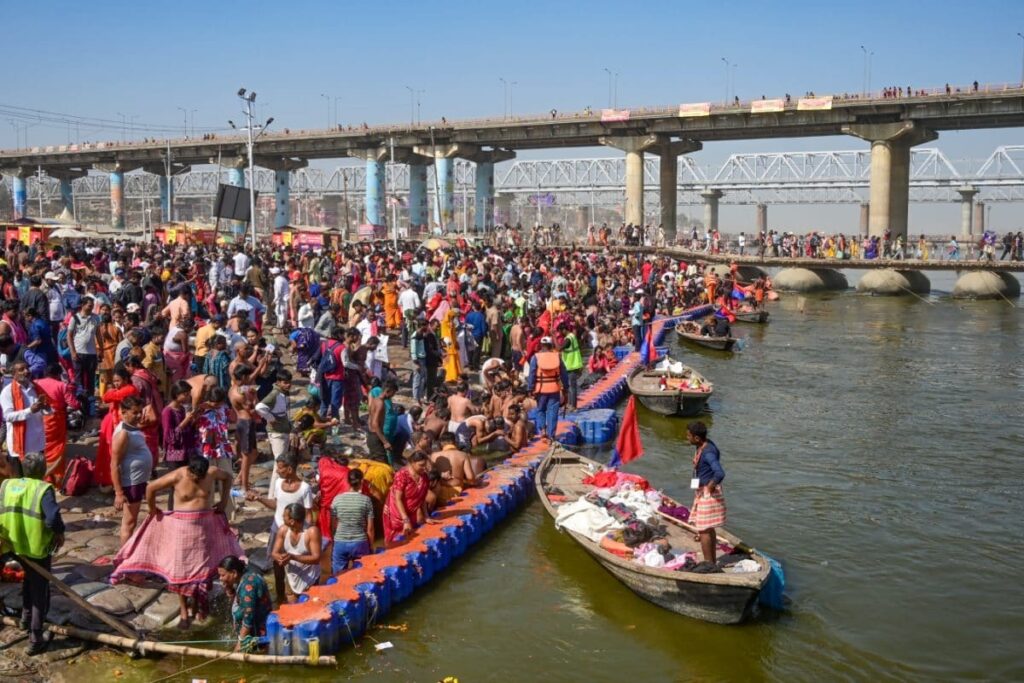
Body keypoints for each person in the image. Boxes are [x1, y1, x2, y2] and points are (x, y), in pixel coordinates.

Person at [112, 455, 238, 627]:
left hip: (204, 528)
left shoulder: (212, 473)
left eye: (201, 476)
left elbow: (228, 477)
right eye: (194, 476)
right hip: (181, 529)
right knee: (180, 571)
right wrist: (152, 509)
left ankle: (197, 605)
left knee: (202, 569)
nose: (197, 479)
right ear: (189, 470)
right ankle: (184, 611)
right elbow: (150, 488)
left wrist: (223, 501)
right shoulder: (178, 475)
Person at [0, 452, 65, 655]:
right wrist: (59, 533)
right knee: (39, 592)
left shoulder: (7, 485)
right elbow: (52, 518)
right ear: (43, 470)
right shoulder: (43, 489)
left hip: (11, 544)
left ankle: (25, 619)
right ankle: (36, 638)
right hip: (35, 547)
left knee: (29, 579)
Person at [247, 452, 313, 605]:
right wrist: (259, 498)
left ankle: (297, 598)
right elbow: (276, 505)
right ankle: (280, 598)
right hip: (277, 530)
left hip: (295, 533)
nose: (277, 471)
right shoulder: (278, 483)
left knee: (295, 565)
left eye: (280, 468)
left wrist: (306, 536)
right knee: (277, 565)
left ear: (290, 469)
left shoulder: (305, 488)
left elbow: (309, 515)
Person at [111, 395, 153, 546]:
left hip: (139, 480)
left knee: (133, 521)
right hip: (131, 482)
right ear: (124, 412)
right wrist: (118, 493)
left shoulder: (133, 428)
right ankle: (124, 556)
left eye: (140, 411)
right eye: (135, 412)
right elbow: (114, 464)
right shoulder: (123, 433)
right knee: (129, 523)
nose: (139, 415)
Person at [686, 421, 726, 564]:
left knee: (703, 530)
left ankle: (709, 564)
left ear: (697, 438)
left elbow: (719, 473)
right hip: (702, 491)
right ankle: (712, 562)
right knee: (708, 528)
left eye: (689, 435)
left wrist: (710, 487)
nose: (687, 438)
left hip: (707, 493)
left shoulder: (708, 452)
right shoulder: (703, 445)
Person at [0, 360, 49, 478]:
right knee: (19, 480)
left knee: (36, 479)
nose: (26, 371)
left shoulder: (36, 388)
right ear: (14, 374)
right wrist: (30, 410)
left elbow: (47, 411)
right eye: (21, 369)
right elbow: (7, 416)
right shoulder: (7, 392)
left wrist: (46, 408)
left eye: (27, 368)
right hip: (18, 446)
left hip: (37, 443)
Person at [35, 363, 81, 485]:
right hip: (56, 421)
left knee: (43, 447)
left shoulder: (36, 383)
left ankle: (43, 475)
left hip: (40, 419)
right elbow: (74, 404)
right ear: (58, 374)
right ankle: (56, 478)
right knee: (57, 449)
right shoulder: (62, 385)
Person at [95, 366, 138, 488]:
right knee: (108, 452)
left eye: (118, 381)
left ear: (125, 379)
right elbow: (107, 396)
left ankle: (117, 480)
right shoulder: (121, 389)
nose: (116, 384)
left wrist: (111, 391)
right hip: (112, 423)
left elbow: (106, 397)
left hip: (121, 425)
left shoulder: (130, 389)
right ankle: (109, 479)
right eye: (114, 381)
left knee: (118, 453)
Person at [218, 555, 272, 652]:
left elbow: (248, 616)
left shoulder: (248, 585)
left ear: (234, 573)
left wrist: (240, 642)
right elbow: (240, 601)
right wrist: (229, 589)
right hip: (253, 628)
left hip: (257, 632)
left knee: (255, 653)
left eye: (223, 575)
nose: (220, 578)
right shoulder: (245, 575)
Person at [270, 503, 322, 602]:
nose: (282, 517)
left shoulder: (311, 532)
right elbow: (274, 553)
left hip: (310, 581)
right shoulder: (283, 530)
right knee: (292, 607)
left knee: (310, 607)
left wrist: (293, 557)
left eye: (285, 516)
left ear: (292, 521)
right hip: (291, 579)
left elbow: (316, 558)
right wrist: (280, 558)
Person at [382, 450, 435, 546]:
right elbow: (398, 499)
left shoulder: (424, 476)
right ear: (412, 463)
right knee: (396, 541)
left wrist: (426, 516)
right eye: (421, 465)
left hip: (412, 511)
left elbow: (422, 498)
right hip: (397, 512)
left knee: (413, 537)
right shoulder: (402, 475)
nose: (424, 468)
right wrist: (405, 520)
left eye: (425, 465)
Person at [330, 468, 375, 573]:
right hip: (360, 543)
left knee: (339, 577)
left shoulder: (337, 499)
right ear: (362, 481)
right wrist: (371, 546)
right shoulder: (366, 500)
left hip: (340, 542)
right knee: (362, 575)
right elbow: (370, 529)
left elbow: (332, 526)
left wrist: (335, 541)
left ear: (348, 481)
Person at [526, 336, 568, 443]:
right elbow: (564, 374)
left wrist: (530, 388)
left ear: (541, 345)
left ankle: (543, 430)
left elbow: (532, 374)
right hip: (554, 389)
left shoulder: (535, 357)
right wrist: (565, 388)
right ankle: (551, 435)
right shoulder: (557, 356)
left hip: (540, 390)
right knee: (552, 412)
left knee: (540, 410)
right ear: (551, 345)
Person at [255, 369, 293, 462]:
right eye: (285, 383)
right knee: (280, 462)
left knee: (282, 461)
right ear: (278, 382)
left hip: (283, 431)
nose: (288, 385)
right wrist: (270, 418)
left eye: (289, 382)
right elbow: (259, 407)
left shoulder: (284, 393)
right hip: (277, 433)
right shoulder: (275, 394)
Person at [367, 378, 397, 463]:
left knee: (374, 463)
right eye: (393, 393)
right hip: (375, 436)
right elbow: (375, 423)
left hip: (371, 435)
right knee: (383, 464)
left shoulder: (375, 400)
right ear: (388, 391)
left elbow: (369, 419)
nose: (392, 396)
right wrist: (385, 442)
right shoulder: (380, 403)